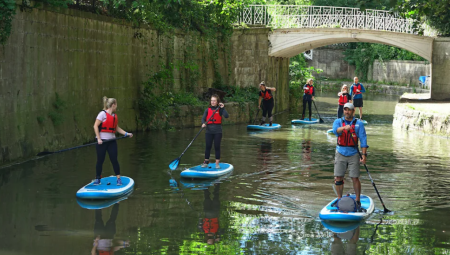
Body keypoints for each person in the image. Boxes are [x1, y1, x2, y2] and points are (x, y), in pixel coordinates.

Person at [332, 103, 368, 210]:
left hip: (353, 153)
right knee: (338, 177)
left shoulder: (359, 124)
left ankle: (357, 200)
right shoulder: (338, 122)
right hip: (340, 152)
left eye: (349, 110)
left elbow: (363, 140)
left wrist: (364, 155)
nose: (347, 112)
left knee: (355, 177)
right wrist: (343, 128)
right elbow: (335, 131)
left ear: (353, 111)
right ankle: (339, 199)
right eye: (345, 110)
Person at [93, 97, 133, 186]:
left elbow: (116, 128)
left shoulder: (114, 116)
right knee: (100, 160)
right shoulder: (102, 114)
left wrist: (126, 133)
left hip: (112, 141)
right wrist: (99, 138)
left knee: (114, 160)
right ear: (113, 105)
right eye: (116, 105)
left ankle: (118, 178)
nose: (116, 107)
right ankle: (98, 178)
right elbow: (95, 126)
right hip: (102, 142)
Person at [201, 95, 229, 169]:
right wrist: (203, 123)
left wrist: (223, 108)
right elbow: (203, 119)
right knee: (208, 146)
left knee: (217, 147)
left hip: (217, 131)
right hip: (209, 131)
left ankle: (217, 164)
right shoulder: (207, 110)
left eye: (214, 100)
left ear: (217, 102)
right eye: (211, 100)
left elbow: (226, 116)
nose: (213, 102)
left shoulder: (220, 109)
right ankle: (206, 161)